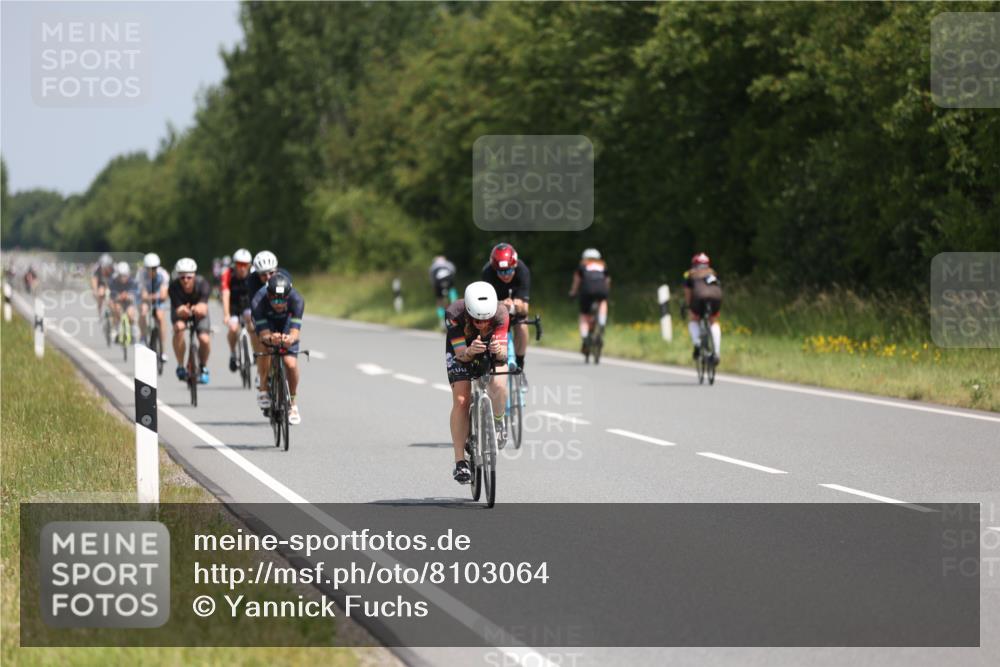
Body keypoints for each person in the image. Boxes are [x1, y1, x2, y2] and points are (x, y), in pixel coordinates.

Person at [445, 281, 510, 484]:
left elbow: (504, 355)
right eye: (476, 321)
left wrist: (498, 351)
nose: (482, 324)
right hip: (462, 350)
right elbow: (460, 355)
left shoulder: (500, 313)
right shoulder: (455, 314)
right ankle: (460, 462)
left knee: (498, 386)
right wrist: (470, 352)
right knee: (462, 399)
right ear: (469, 315)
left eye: (486, 321)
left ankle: (498, 422)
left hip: (490, 349)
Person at [252, 273, 305, 425]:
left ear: (288, 296)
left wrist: (290, 339)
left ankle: (293, 404)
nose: (279, 303)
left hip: (286, 323)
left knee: (290, 364)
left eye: (282, 299)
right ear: (268, 295)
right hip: (267, 323)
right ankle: (263, 388)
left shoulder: (297, 300)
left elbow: (295, 332)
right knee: (266, 347)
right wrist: (270, 338)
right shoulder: (258, 301)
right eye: (275, 299)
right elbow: (263, 334)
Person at [481, 242, 531, 370]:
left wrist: (515, 306)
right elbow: (484, 303)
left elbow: (525, 308)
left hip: (514, 307)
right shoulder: (488, 272)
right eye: (501, 272)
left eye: (509, 270)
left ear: (514, 265)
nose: (506, 275)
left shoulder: (522, 270)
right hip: (494, 308)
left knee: (522, 326)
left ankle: (520, 364)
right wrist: (500, 304)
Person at [250, 250, 292, 399]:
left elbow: (291, 301)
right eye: (263, 275)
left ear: (277, 270)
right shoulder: (252, 282)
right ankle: (263, 384)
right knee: (265, 344)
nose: (268, 278)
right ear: (257, 274)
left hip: (282, 313)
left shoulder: (285, 276)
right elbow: (255, 309)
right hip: (263, 313)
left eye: (271, 273)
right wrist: (266, 334)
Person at [169, 258, 212, 384]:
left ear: (194, 276)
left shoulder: (203, 284)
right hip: (181, 311)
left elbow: (203, 308)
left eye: (189, 277)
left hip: (199, 310)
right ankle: (180, 365)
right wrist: (184, 311)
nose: (186, 280)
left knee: (204, 339)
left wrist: (196, 308)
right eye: (182, 277)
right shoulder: (173, 287)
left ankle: (203, 367)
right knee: (179, 328)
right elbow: (178, 309)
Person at [221, 248, 257, 372]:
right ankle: (232, 354)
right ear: (234, 264)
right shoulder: (228, 274)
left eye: (245, 265)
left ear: (249, 265)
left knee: (252, 325)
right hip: (233, 304)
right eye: (239, 264)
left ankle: (256, 352)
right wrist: (226, 315)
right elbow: (225, 294)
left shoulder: (254, 274)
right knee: (233, 328)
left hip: (248, 303)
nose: (242, 268)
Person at [569, 248, 610, 355]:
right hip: (601, 290)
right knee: (603, 302)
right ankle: (602, 321)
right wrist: (606, 293)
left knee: (584, 316)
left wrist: (573, 293)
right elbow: (607, 281)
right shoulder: (603, 265)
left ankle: (585, 336)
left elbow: (577, 281)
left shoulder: (582, 265)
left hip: (587, 291)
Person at [683, 252, 723, 365]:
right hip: (716, 298)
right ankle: (716, 352)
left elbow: (688, 293)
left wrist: (689, 306)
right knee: (713, 322)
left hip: (699, 298)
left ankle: (697, 342)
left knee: (693, 320)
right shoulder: (713, 273)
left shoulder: (690, 274)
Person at [139, 253, 170, 363]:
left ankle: (163, 349)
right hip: (147, 298)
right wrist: (148, 297)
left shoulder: (164, 274)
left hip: (158, 299)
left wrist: (155, 296)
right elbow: (143, 294)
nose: (151, 271)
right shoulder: (141, 274)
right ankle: (143, 336)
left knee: (161, 317)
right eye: (149, 268)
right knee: (143, 311)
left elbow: (163, 295)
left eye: (154, 268)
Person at [108, 261, 140, 343]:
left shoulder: (132, 281)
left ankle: (133, 329)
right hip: (118, 301)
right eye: (121, 276)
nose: (123, 278)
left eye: (125, 276)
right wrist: (117, 297)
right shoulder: (113, 281)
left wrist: (130, 295)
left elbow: (135, 292)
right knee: (116, 309)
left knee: (130, 314)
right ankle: (116, 328)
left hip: (129, 302)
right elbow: (112, 294)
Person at [429, 255, 458, 329]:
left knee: (439, 301)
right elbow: (453, 272)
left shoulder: (433, 266)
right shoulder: (448, 263)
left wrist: (435, 290)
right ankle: (456, 308)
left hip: (438, 281)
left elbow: (432, 280)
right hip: (449, 278)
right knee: (452, 291)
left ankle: (441, 321)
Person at [90, 253, 114, 318]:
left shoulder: (114, 269)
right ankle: (100, 312)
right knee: (101, 293)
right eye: (105, 267)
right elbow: (94, 280)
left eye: (108, 267)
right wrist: (95, 291)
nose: (107, 269)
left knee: (112, 298)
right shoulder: (97, 268)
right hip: (100, 284)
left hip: (110, 284)